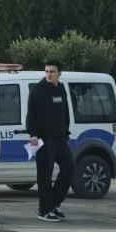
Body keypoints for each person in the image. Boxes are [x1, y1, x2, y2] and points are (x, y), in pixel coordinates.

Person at [26, 62, 73, 222]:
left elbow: (65, 112)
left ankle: (54, 204)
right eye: (46, 71)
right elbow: (31, 114)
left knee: (69, 169)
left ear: (59, 73)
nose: (48, 74)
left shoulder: (61, 88)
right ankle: (44, 210)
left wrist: (66, 131)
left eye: (52, 71)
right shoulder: (39, 90)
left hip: (60, 138)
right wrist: (33, 135)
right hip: (44, 139)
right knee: (45, 175)